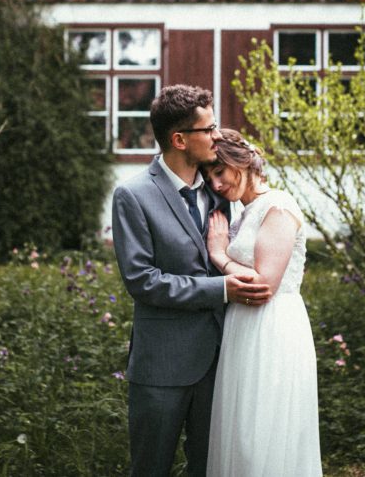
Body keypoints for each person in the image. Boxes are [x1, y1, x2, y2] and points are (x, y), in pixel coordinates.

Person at [112, 85, 273, 477]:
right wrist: (221, 289)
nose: (217, 136)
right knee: (151, 468)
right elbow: (143, 281)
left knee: (209, 468)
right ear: (179, 140)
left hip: (221, 362)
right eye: (209, 128)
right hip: (162, 367)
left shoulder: (220, 192)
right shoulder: (132, 196)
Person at [204, 128, 322, 477]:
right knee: (240, 429)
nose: (216, 185)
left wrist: (219, 255)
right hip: (243, 327)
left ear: (241, 163)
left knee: (263, 428)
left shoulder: (279, 206)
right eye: (210, 177)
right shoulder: (245, 212)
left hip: (273, 329)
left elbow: (264, 284)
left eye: (219, 172)